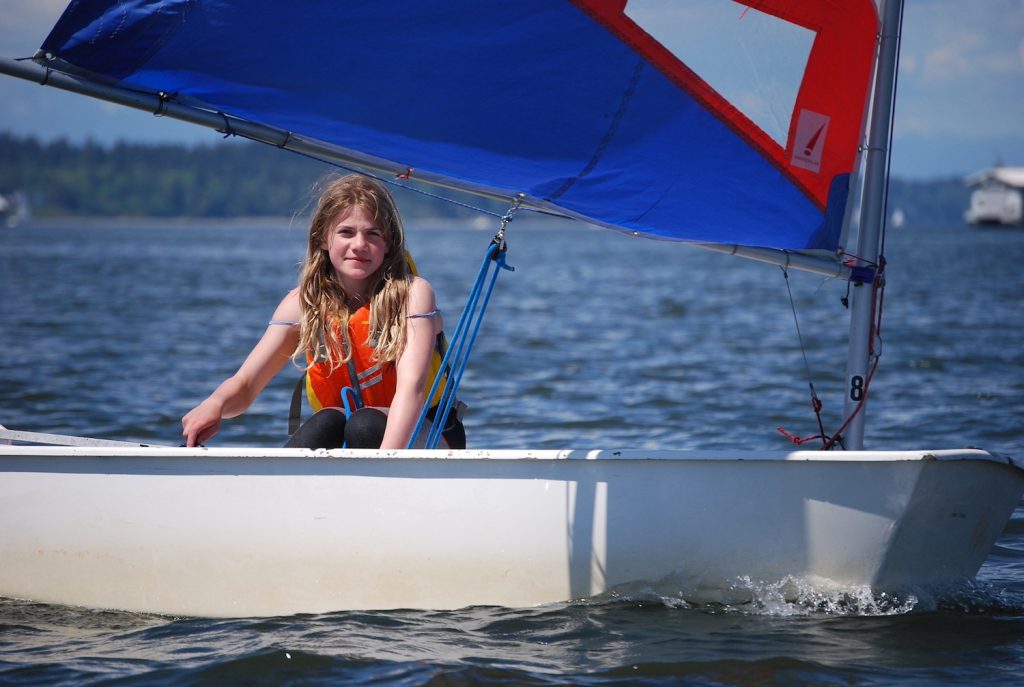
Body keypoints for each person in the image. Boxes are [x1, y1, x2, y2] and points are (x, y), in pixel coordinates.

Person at [181, 174, 465, 450]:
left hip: (427, 432)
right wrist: (214, 404)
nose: (359, 245)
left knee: (363, 424)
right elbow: (245, 386)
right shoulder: (301, 305)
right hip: (349, 435)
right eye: (346, 232)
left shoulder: (413, 295)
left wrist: (385, 465)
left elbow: (411, 390)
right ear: (322, 238)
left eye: (372, 234)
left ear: (388, 243)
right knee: (327, 421)